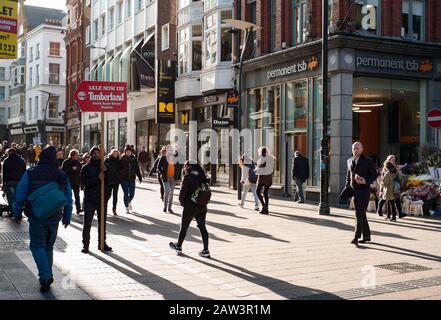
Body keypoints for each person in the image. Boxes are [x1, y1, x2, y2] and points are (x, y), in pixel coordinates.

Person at [12, 146, 72, 292]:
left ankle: (45, 276)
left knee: (37, 246)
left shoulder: (31, 173)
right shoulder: (61, 174)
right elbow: (68, 197)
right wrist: (67, 216)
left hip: (36, 216)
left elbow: (21, 193)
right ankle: (46, 275)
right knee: (48, 246)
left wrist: (17, 212)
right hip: (54, 216)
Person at [169, 161, 210, 258]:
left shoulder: (188, 177)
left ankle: (178, 246)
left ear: (188, 167)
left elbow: (182, 193)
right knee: (202, 227)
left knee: (184, 227)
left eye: (185, 166)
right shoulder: (202, 176)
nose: (184, 168)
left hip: (190, 206)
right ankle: (206, 250)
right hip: (202, 205)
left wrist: (182, 203)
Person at [344, 142, 379, 245]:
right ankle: (367, 235)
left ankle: (356, 237)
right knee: (361, 214)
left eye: (357, 148)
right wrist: (346, 187)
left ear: (362, 149)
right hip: (353, 191)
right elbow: (348, 176)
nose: (355, 150)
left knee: (358, 214)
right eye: (354, 148)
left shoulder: (368, 161)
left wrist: (365, 181)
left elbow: (374, 175)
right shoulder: (349, 161)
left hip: (364, 191)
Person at [80, 146, 112, 253]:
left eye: (98, 153)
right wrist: (97, 178)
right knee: (87, 223)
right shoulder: (86, 168)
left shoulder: (104, 166)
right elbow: (85, 183)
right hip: (90, 199)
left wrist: (106, 172)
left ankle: (102, 243)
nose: (96, 155)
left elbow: (112, 181)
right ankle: (86, 245)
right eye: (94, 153)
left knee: (102, 223)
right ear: (91, 155)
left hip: (102, 199)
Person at [158, 146, 183, 214]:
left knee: (171, 193)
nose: (170, 151)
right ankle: (165, 206)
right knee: (167, 191)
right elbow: (159, 167)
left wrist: (178, 178)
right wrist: (162, 173)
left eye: (171, 150)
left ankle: (169, 208)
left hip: (173, 178)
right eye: (169, 150)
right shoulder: (163, 157)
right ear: (166, 150)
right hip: (166, 177)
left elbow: (180, 165)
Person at [2, 148, 27, 215]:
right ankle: (18, 212)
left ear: (9, 153)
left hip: (10, 182)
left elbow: (4, 173)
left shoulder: (6, 161)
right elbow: (25, 172)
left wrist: (3, 184)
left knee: (11, 198)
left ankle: (14, 212)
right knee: (19, 198)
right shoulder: (22, 160)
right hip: (20, 182)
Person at [120, 145, 142, 214]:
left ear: (131, 152)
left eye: (129, 151)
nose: (128, 152)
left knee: (132, 194)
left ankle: (128, 201)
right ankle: (126, 207)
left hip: (132, 178)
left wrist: (140, 176)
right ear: (125, 152)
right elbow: (118, 168)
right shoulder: (122, 159)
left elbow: (137, 168)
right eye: (127, 151)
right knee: (126, 192)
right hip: (124, 179)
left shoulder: (134, 158)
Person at [61, 149, 82, 215]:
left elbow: (80, 171)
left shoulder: (78, 162)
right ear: (72, 155)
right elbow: (63, 171)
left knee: (77, 196)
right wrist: (71, 169)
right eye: (76, 155)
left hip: (76, 182)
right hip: (68, 181)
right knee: (67, 196)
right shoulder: (66, 162)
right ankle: (64, 209)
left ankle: (78, 209)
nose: (77, 156)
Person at [255, 147, 275, 215]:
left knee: (258, 192)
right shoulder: (271, 158)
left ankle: (264, 207)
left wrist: (256, 169)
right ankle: (266, 207)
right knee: (265, 193)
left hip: (262, 177)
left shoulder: (263, 158)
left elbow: (260, 166)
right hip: (268, 177)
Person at [105, 149, 121, 216]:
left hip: (116, 181)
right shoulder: (107, 160)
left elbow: (122, 169)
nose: (115, 155)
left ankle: (114, 209)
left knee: (115, 196)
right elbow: (104, 169)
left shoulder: (119, 161)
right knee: (108, 195)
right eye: (114, 154)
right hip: (109, 180)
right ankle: (104, 207)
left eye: (116, 154)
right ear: (111, 154)